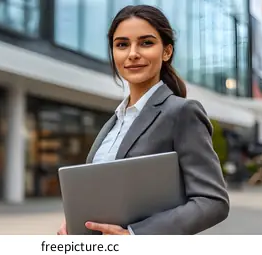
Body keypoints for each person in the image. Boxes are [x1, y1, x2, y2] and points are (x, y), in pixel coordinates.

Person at [57, 5, 229, 235]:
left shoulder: (182, 112)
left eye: (146, 43)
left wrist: (137, 236)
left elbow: (213, 201)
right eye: (122, 45)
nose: (133, 53)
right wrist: (74, 224)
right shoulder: (114, 123)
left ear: (166, 52)